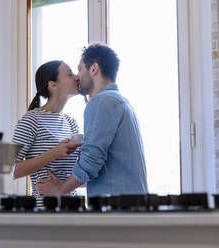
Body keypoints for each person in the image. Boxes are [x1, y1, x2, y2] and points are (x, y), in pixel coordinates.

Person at [36, 43, 148, 197]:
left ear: (94, 69)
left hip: (114, 209)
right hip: (130, 205)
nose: (77, 76)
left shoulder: (101, 102)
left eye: (80, 69)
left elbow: (91, 161)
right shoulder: (120, 102)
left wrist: (60, 190)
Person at [12, 60, 82, 207]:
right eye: (69, 74)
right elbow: (10, 170)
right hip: (46, 212)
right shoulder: (31, 120)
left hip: (75, 209)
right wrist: (53, 153)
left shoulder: (71, 123)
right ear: (53, 85)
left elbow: (83, 172)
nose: (76, 77)